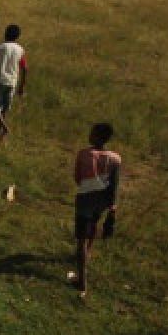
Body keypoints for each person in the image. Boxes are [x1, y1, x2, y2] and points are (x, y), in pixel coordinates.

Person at [71, 123, 121, 299]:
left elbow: (77, 178)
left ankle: (82, 281)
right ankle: (88, 255)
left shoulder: (84, 154)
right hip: (102, 201)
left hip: (85, 199)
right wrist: (112, 206)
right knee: (92, 228)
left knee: (80, 239)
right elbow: (114, 184)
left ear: (98, 137)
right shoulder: (116, 158)